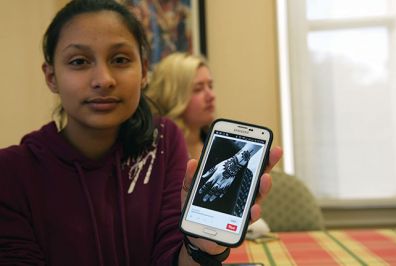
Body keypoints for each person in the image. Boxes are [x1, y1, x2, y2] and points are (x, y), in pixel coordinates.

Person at [0, 0, 282, 265]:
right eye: (79, 62)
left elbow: (171, 256)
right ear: (51, 76)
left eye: (120, 59)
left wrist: (200, 247)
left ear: (144, 70)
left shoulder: (162, 142)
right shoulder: (12, 172)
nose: (104, 80)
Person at [145, 52, 216, 159]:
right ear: (172, 96)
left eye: (210, 86)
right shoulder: (155, 154)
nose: (211, 96)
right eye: (198, 89)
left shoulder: (216, 144)